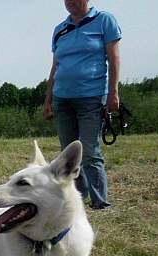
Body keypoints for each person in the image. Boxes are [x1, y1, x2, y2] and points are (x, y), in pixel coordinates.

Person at [43, 0, 121, 210]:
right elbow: (55, 67)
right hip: (62, 98)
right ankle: (78, 199)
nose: (70, 2)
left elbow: (114, 59)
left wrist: (113, 92)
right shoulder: (60, 29)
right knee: (68, 152)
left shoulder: (104, 20)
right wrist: (48, 100)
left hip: (91, 96)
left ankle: (100, 202)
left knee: (89, 150)